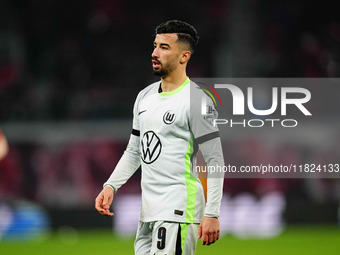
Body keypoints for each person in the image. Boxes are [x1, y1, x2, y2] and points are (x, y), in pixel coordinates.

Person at [95, 20, 224, 255]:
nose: (154, 53)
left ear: (184, 56)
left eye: (164, 47)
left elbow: (215, 160)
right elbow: (135, 150)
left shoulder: (197, 100)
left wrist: (212, 213)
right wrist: (111, 185)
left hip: (178, 209)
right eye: (155, 46)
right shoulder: (144, 97)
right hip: (148, 211)